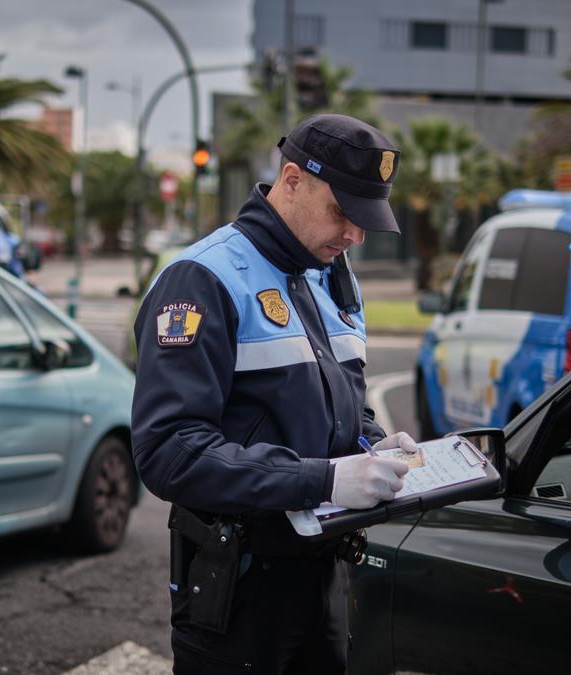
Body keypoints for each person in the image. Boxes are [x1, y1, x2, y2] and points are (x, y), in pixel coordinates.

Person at [131, 114, 419, 674]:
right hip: (239, 584)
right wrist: (326, 479)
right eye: (343, 213)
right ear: (292, 180)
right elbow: (168, 451)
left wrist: (375, 447)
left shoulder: (330, 271)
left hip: (325, 573)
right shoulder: (202, 279)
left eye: (366, 220)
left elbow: (347, 404)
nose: (355, 235)